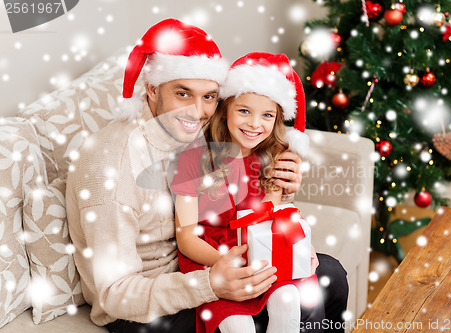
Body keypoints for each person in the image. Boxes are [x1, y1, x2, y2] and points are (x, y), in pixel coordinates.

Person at [66, 18, 348, 333]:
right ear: (152, 89)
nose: (198, 111)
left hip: (213, 253)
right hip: (148, 304)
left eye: (209, 97)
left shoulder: (201, 128)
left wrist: (284, 196)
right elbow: (113, 295)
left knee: (330, 277)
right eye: (183, 94)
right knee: (290, 308)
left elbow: (243, 188)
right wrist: (212, 283)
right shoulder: (112, 167)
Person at [170, 52, 316, 333]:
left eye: (267, 115)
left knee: (289, 298)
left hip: (259, 252)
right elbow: (186, 236)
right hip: (211, 257)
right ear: (225, 109)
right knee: (237, 325)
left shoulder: (273, 157)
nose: (254, 124)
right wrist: (227, 264)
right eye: (244, 111)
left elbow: (269, 218)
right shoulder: (193, 159)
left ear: (277, 119)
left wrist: (296, 245)